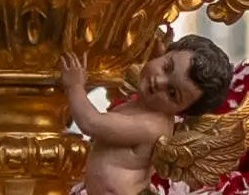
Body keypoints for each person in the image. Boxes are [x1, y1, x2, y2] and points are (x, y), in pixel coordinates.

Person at [60, 41, 234, 195]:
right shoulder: (146, 106)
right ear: (164, 53)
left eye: (172, 93)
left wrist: (74, 86)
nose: (159, 82)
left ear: (182, 111)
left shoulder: (150, 126)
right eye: (166, 67)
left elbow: (91, 123)